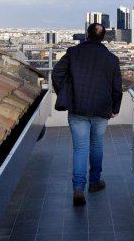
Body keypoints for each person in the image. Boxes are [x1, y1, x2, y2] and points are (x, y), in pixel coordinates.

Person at [50, 22, 123, 206]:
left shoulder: (74, 53)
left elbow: (57, 74)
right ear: (103, 37)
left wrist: (66, 92)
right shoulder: (112, 59)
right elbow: (117, 89)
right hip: (101, 108)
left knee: (80, 149)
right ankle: (95, 182)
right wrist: (115, 108)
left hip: (78, 107)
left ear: (87, 35)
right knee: (97, 146)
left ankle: (78, 189)